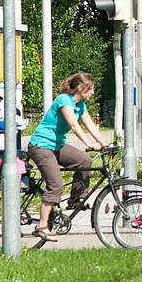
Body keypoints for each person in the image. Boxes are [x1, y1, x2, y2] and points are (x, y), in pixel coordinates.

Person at [26, 72, 104, 241]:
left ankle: (76, 200)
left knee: (84, 160)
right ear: (81, 88)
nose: (93, 93)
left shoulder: (80, 105)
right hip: (41, 146)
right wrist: (89, 144)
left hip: (56, 146)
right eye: (91, 90)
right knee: (56, 185)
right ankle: (42, 226)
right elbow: (74, 125)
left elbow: (90, 124)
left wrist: (105, 144)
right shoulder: (64, 100)